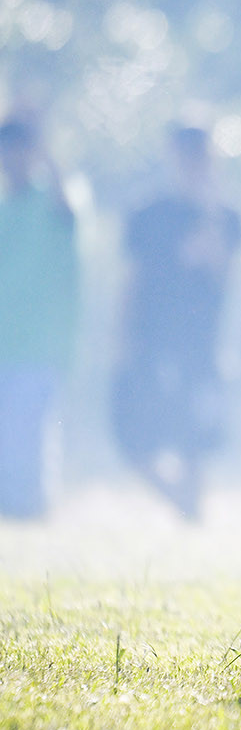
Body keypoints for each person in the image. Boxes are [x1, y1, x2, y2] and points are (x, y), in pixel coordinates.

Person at [112, 126, 241, 519]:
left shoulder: (227, 215)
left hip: (200, 342)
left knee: (195, 441)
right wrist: (120, 338)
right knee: (132, 438)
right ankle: (183, 505)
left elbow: (225, 274)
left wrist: (209, 211)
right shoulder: (146, 213)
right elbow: (130, 280)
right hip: (149, 338)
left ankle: (192, 517)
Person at [0, 116, 78, 519]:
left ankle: (30, 512)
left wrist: (45, 146)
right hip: (4, 344)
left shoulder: (53, 202)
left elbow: (68, 211)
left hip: (39, 345)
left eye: (21, 148)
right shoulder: (4, 207)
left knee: (28, 440)